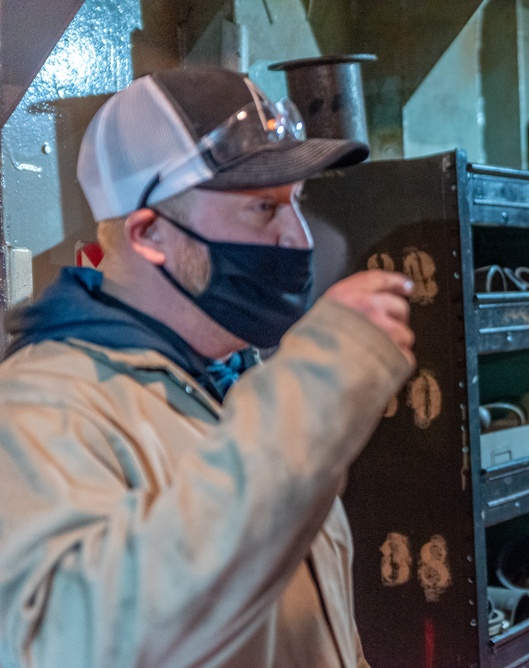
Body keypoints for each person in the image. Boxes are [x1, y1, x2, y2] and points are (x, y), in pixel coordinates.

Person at [0, 66, 415, 667]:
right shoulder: (44, 409)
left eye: (296, 204)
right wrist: (313, 395)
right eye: (262, 209)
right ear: (149, 234)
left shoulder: (233, 382)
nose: (299, 240)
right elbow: (79, 644)